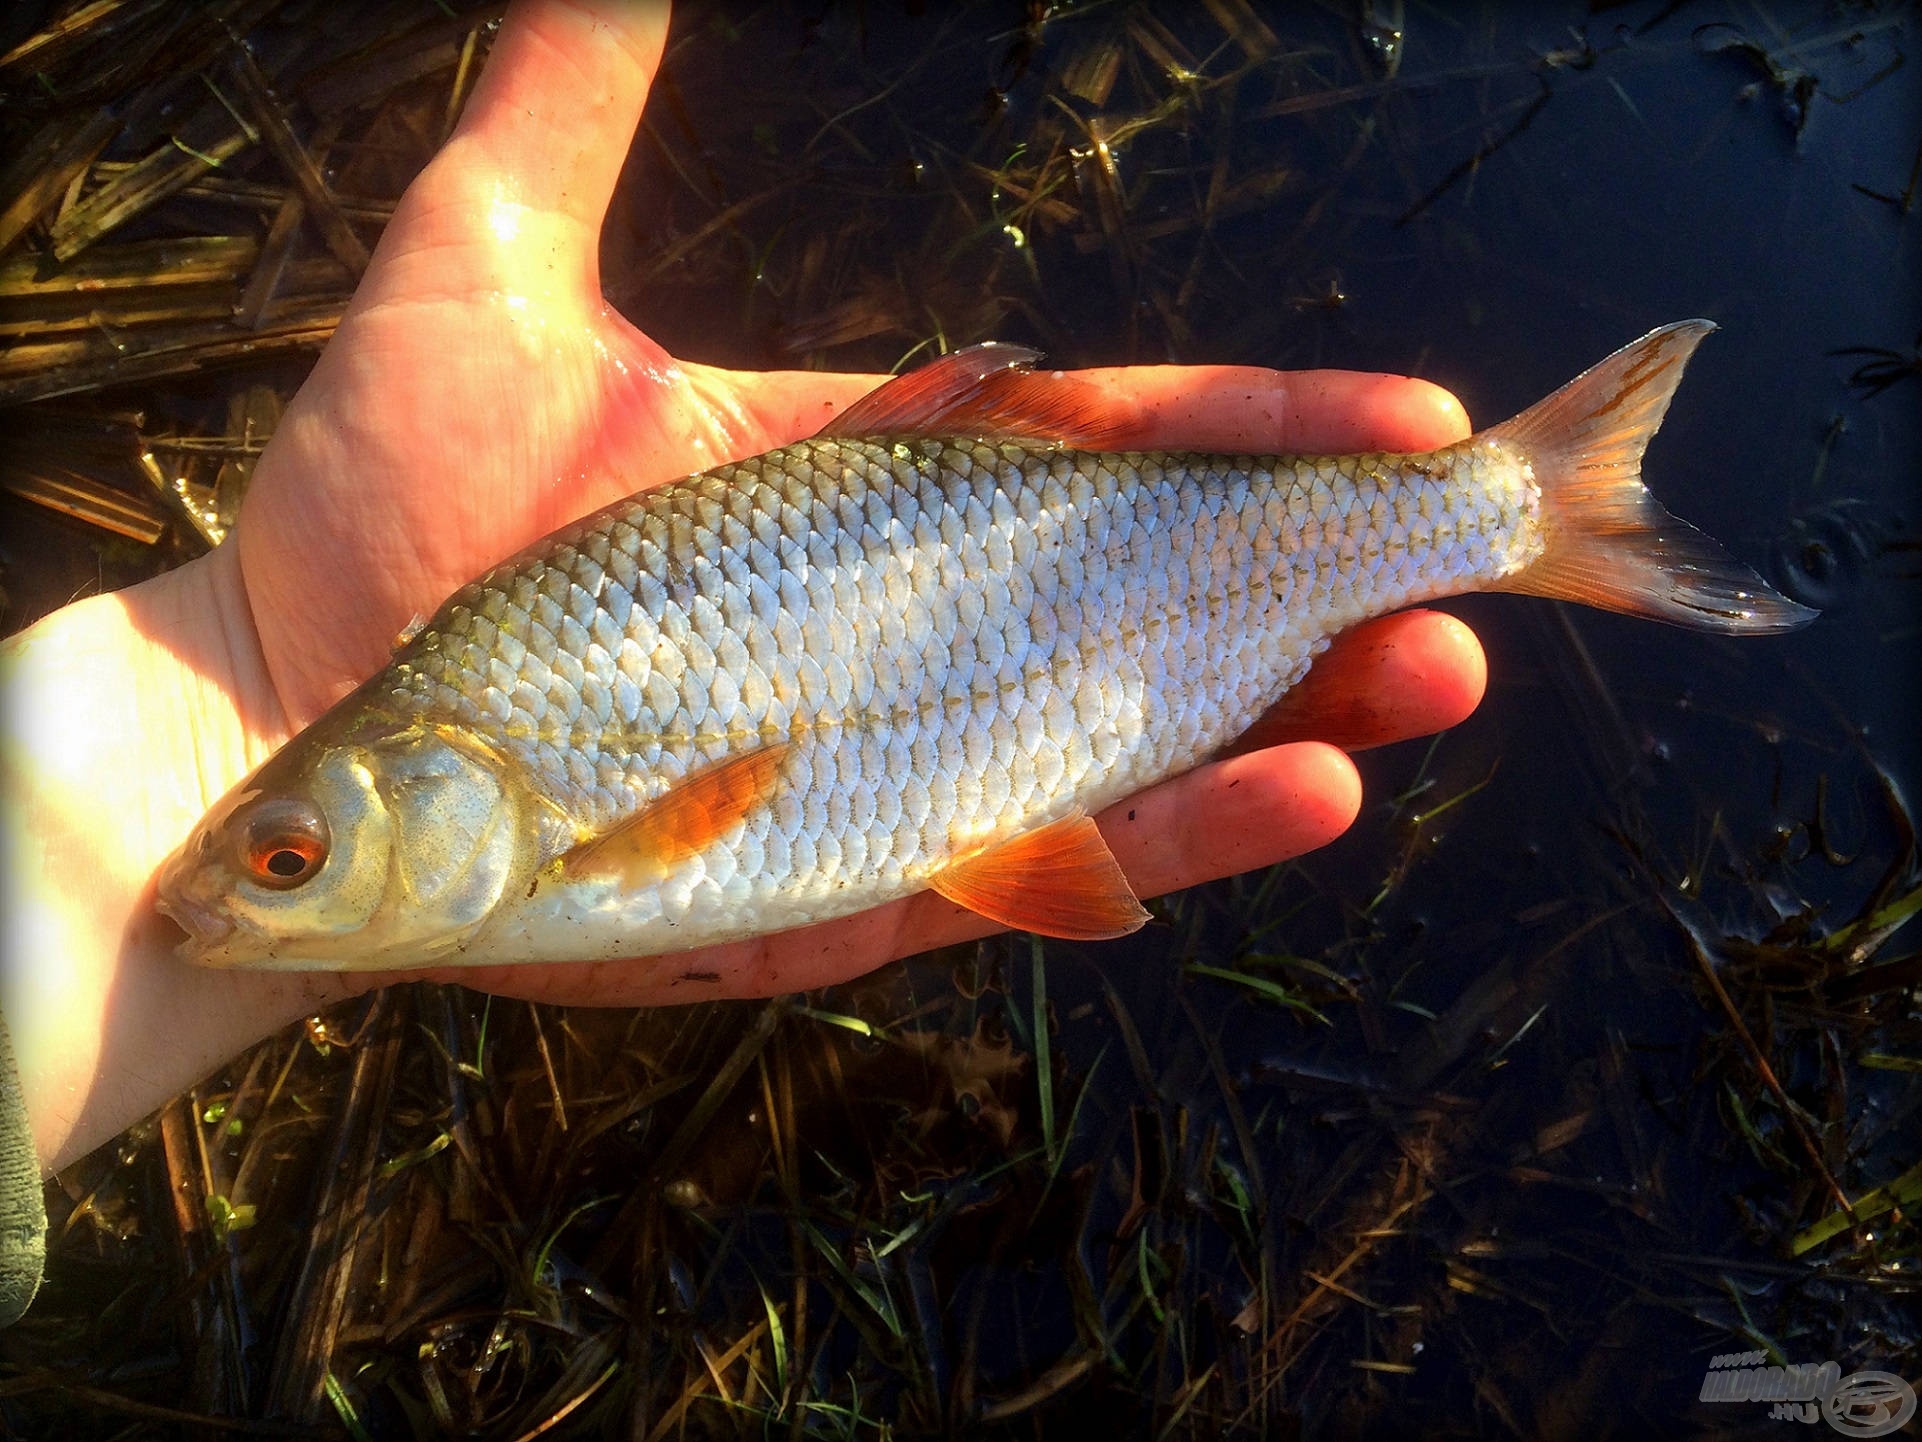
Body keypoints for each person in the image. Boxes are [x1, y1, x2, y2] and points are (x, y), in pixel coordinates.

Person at [0, 0, 1484, 1324]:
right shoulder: (473, 747)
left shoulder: (516, 780)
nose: (223, 893)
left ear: (445, 781)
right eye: (283, 862)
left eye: (285, 859)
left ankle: (1510, 510)